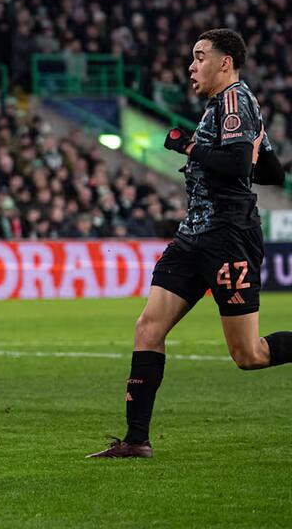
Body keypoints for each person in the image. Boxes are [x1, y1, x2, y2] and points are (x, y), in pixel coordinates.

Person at [87, 29, 288, 458]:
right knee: (148, 327)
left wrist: (189, 145)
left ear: (226, 62)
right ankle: (136, 440)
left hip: (227, 238)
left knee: (248, 355)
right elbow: (271, 172)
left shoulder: (235, 100)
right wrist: (247, 147)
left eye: (200, 57)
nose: (191, 66)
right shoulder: (224, 107)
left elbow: (237, 166)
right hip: (192, 236)